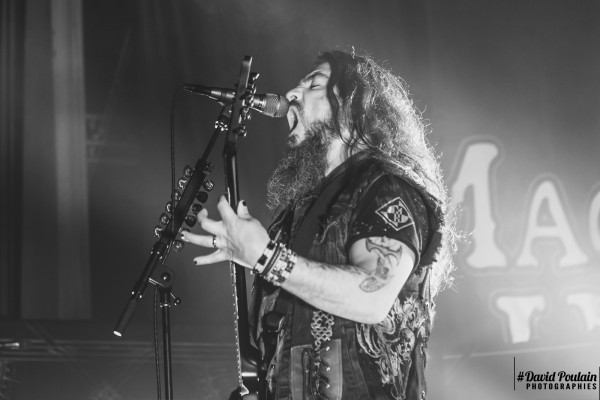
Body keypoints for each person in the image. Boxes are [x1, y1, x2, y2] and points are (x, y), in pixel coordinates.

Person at [181, 50, 456, 400]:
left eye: (313, 85)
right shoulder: (294, 216)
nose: (291, 94)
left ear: (357, 106)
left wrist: (266, 257)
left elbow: (372, 297)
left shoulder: (387, 189)